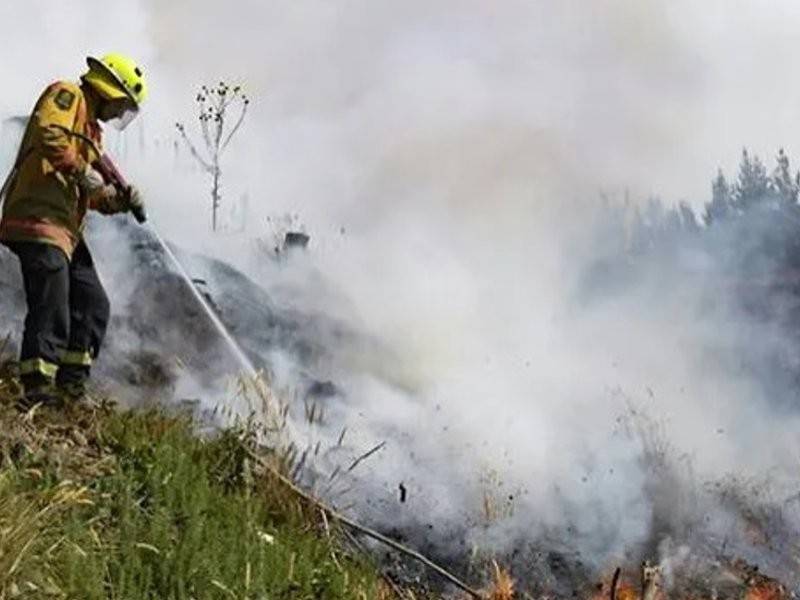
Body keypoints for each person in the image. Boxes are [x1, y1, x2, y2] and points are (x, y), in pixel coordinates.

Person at [0, 53, 148, 408]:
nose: (118, 115)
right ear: (111, 90)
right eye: (122, 105)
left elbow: (90, 196)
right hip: (37, 218)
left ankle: (71, 387)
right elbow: (48, 132)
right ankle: (36, 386)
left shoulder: (92, 133)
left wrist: (119, 200)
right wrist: (82, 169)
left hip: (65, 230)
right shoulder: (67, 96)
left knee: (93, 303)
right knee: (53, 300)